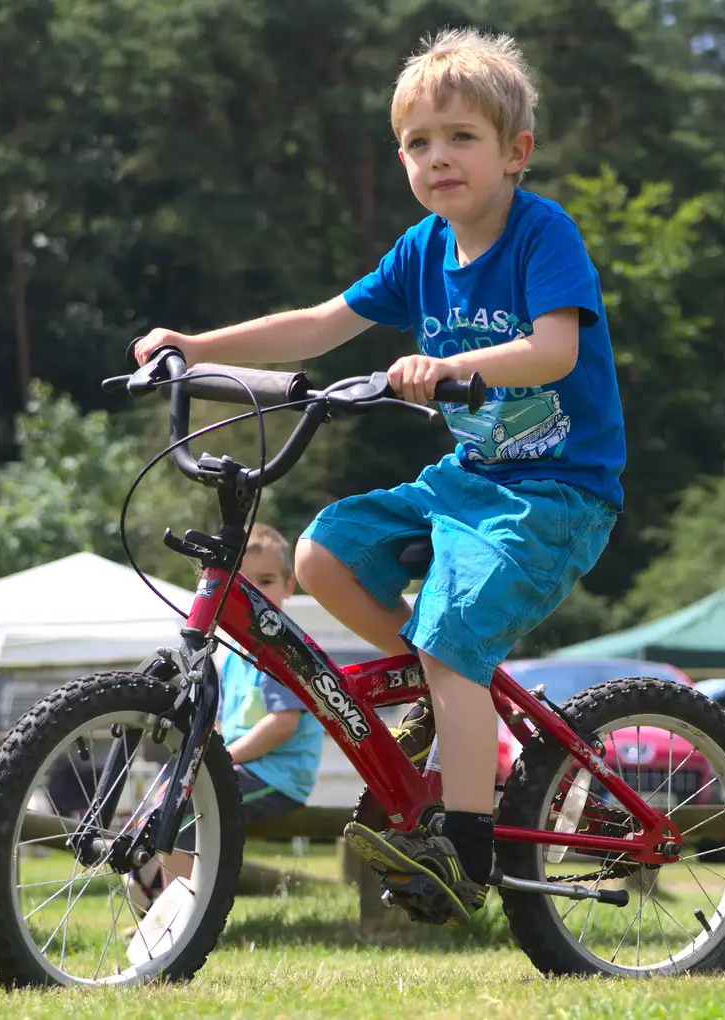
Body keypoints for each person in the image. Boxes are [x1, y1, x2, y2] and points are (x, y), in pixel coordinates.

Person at [131, 27, 624, 923]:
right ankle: (444, 690)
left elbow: (555, 350)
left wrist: (449, 369)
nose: (438, 158)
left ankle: (463, 844)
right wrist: (195, 348)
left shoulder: (540, 234)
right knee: (325, 554)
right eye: (418, 143)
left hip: (556, 492)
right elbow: (320, 325)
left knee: (446, 640)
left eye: (462, 138)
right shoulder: (423, 250)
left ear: (516, 154)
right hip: (472, 480)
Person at [124, 525, 324, 907]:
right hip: (245, 770)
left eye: (266, 581)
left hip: (278, 776)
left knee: (190, 811)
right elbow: (220, 723)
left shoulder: (282, 650)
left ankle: (178, 912)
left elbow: (283, 723)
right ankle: (153, 886)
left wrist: (223, 758)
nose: (256, 593)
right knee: (173, 786)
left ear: (289, 586)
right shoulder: (235, 655)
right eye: (245, 583)